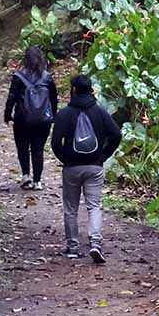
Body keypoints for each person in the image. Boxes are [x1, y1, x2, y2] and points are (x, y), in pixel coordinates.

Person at [51, 75, 121, 263]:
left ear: (73, 90)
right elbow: (116, 134)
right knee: (94, 206)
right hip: (94, 166)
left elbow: (55, 142)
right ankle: (95, 244)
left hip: (72, 168)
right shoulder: (100, 112)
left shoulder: (64, 114)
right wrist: (103, 156)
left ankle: (72, 247)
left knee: (71, 208)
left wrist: (65, 159)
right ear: (91, 90)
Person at [4, 46, 57, 191]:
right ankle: (38, 181)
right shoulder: (47, 77)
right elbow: (53, 98)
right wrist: (53, 115)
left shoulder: (19, 76)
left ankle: (26, 175)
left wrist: (7, 115)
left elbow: (12, 97)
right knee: (38, 149)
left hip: (22, 119)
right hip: (43, 120)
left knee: (22, 147)